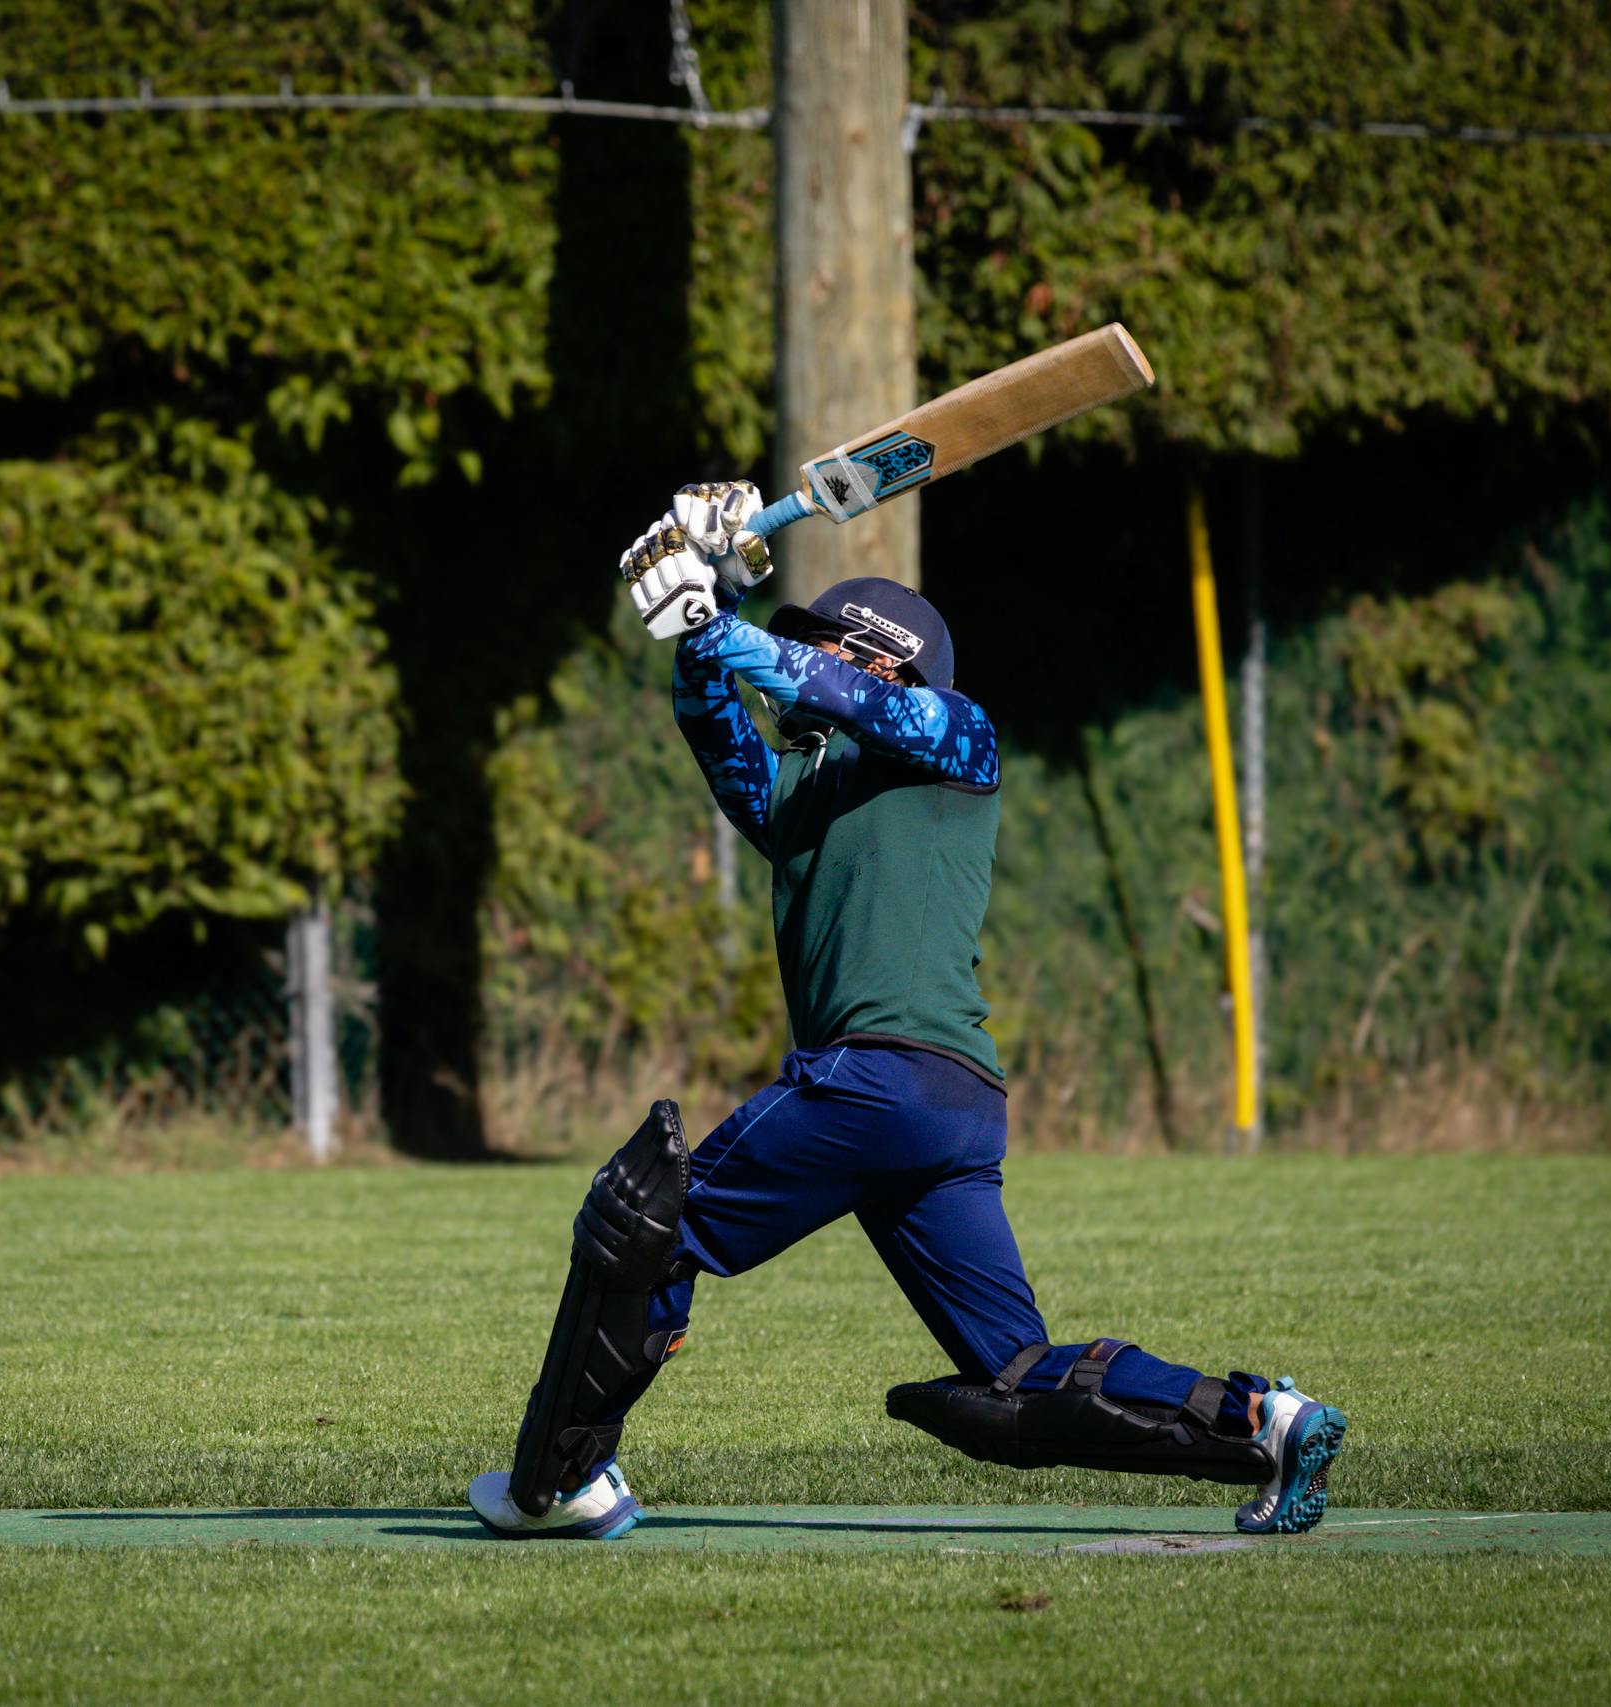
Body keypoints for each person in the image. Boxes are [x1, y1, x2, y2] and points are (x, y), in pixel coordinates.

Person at [466, 482, 1345, 1542]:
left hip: (876, 1077)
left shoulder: (956, 737)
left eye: (826, 648)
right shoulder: (798, 795)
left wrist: (724, 623)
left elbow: (845, 695)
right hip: (949, 1111)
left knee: (651, 1225)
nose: (803, 672)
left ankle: (558, 1481)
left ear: (881, 659)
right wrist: (715, 597)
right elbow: (707, 712)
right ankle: (1262, 1420)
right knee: (1014, 1369)